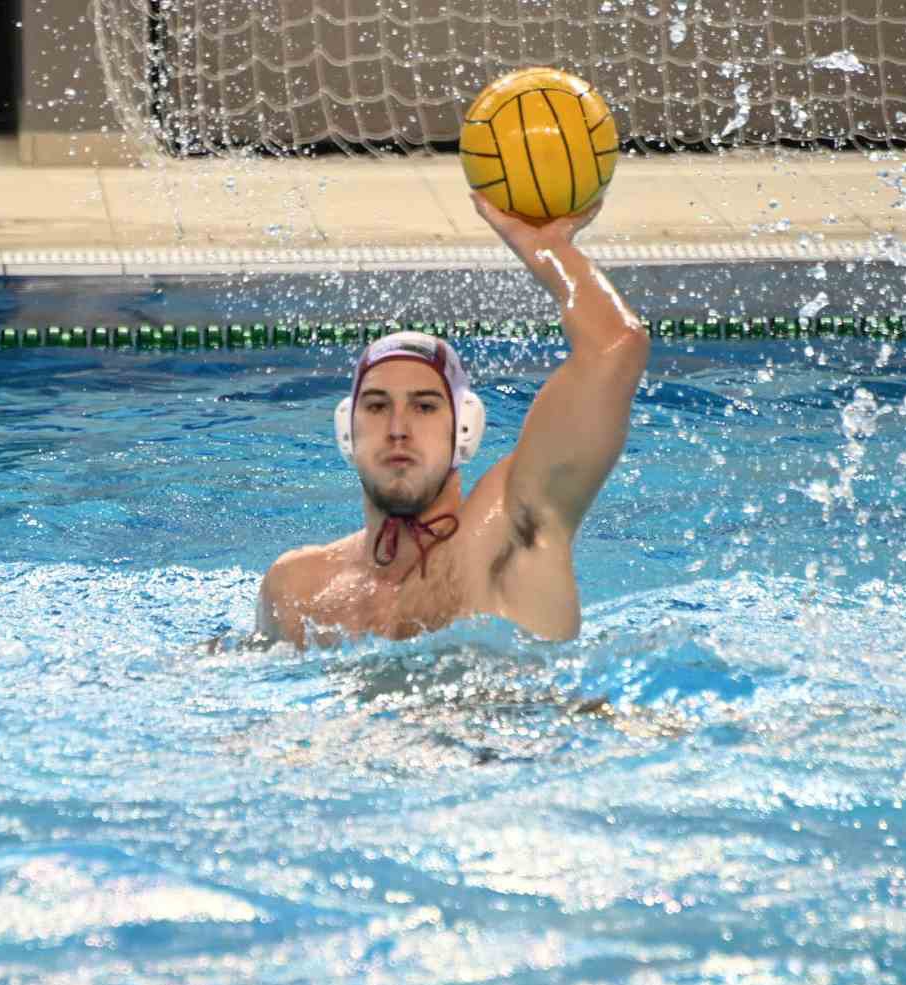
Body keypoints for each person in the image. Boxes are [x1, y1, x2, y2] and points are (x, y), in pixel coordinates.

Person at [254, 194, 648, 647]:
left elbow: (614, 348)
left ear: (464, 428)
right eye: (377, 406)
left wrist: (547, 248)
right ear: (347, 431)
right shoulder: (298, 590)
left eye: (425, 407)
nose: (398, 428)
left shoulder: (506, 538)